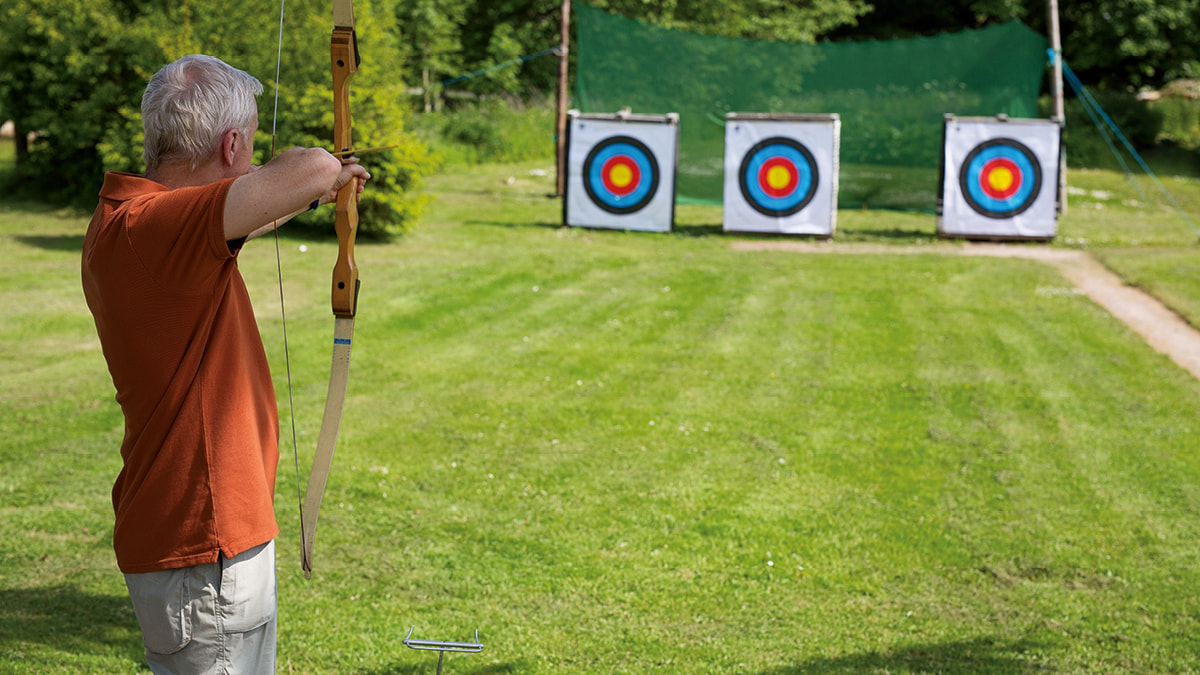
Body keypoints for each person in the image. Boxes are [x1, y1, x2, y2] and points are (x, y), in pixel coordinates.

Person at [81, 54, 369, 674]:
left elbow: (252, 215)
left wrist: (316, 193)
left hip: (205, 538)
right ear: (233, 142)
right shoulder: (156, 228)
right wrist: (323, 171)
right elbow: (310, 166)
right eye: (250, 141)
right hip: (201, 543)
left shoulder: (134, 220)